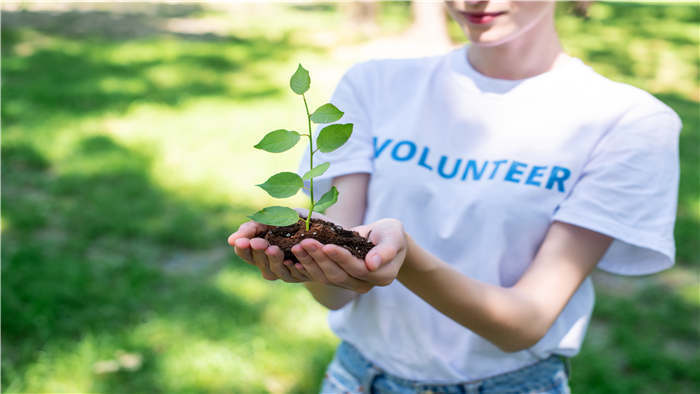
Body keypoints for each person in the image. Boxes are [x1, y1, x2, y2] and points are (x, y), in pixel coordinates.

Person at [228, 1, 681, 392]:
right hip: (357, 380)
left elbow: (524, 323)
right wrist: (308, 263)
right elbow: (339, 294)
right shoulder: (375, 86)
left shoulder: (628, 123)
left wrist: (404, 258)